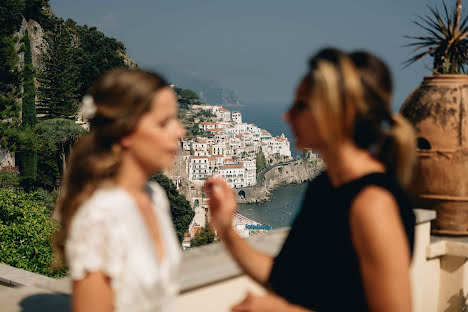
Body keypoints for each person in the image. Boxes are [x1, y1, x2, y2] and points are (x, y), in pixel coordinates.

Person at [204, 48, 416, 312]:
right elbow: (287, 281)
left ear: (336, 114)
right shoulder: (324, 186)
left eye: (301, 105)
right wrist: (225, 228)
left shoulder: (373, 205)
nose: (287, 115)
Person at [53, 69, 186, 312]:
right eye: (164, 122)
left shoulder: (155, 196)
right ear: (126, 132)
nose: (180, 132)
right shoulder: (99, 219)